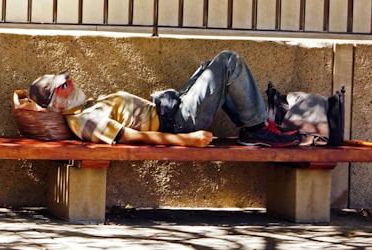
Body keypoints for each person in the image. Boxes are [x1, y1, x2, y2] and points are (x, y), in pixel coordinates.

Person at [29, 50, 299, 148]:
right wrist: (186, 141)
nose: (71, 82)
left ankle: (255, 127)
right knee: (228, 61)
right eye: (63, 85)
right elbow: (131, 138)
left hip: (175, 110)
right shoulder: (84, 120)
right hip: (178, 124)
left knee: (210, 68)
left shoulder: (84, 108)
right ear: (56, 103)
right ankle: (257, 129)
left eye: (67, 79)